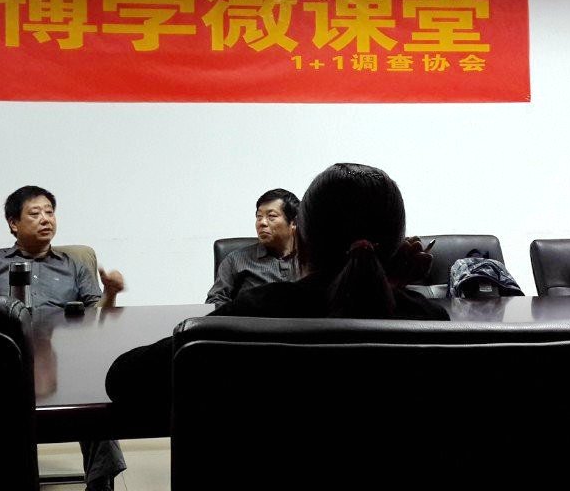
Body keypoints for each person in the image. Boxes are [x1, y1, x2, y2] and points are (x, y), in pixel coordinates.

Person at [106, 162, 447, 423]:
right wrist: (392, 286)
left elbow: (125, 379)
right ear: (398, 244)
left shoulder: (254, 313)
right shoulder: (427, 321)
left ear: (302, 240)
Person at [0, 185, 125, 491]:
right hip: (5, 359)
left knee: (97, 398)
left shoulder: (73, 264)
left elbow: (97, 318)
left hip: (64, 360)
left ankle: (100, 484)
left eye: (50, 212)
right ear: (14, 223)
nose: (45, 219)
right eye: (35, 213)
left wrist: (110, 292)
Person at [205, 188, 300, 306]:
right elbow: (214, 302)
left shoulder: (314, 260)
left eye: (271, 216)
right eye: (259, 217)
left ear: (293, 223)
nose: (262, 222)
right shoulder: (235, 260)